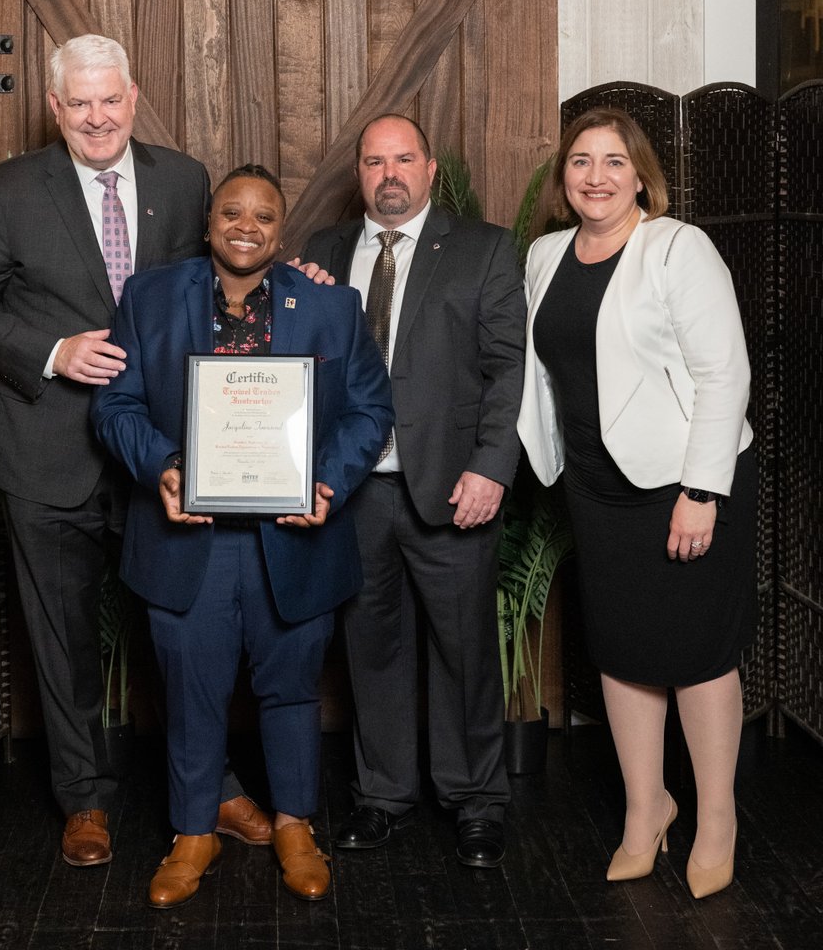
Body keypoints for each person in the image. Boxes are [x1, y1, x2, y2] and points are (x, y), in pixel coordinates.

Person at [0, 35, 274, 868]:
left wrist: (294, 280)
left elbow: (222, 280)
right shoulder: (14, 190)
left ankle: (213, 784)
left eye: (109, 100)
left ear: (133, 95)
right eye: (78, 103)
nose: (95, 117)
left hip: (160, 453)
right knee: (64, 638)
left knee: (184, 629)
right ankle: (84, 799)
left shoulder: (185, 179)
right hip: (47, 455)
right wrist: (54, 351)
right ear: (55, 108)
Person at [91, 164, 393, 907]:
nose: (246, 226)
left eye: (262, 215)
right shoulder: (150, 297)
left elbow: (369, 410)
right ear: (209, 223)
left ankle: (295, 825)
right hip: (187, 539)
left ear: (280, 230)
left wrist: (328, 480)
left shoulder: (330, 305)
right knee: (191, 692)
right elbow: (115, 405)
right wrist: (163, 466)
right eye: (232, 212)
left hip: (294, 536)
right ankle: (193, 832)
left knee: (290, 688)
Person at [516, 106, 757, 900]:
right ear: (563, 177)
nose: (596, 176)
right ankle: (646, 807)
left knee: (697, 654)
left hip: (682, 485)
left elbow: (725, 375)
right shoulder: (547, 254)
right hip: (595, 485)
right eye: (581, 161)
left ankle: (715, 817)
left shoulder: (677, 248)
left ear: (641, 174)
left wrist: (701, 491)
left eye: (614, 161)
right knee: (621, 652)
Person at [303, 114, 526, 868]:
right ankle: (383, 795)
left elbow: (508, 370)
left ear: (431, 169)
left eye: (404, 159)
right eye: (374, 161)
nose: (388, 173)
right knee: (372, 647)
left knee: (465, 652)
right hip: (357, 490)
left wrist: (493, 466)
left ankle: (475, 801)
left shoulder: (485, 249)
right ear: (358, 175)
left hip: (453, 485)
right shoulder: (324, 254)